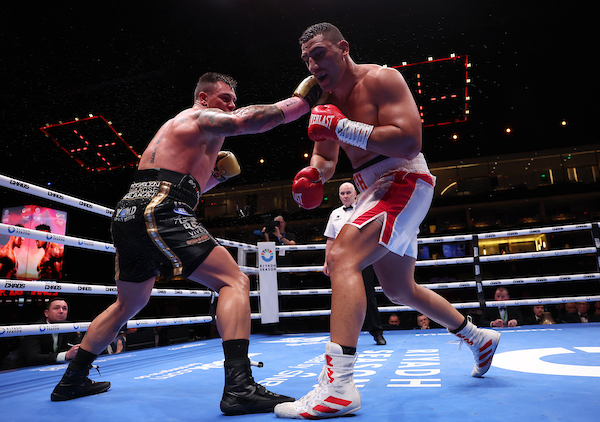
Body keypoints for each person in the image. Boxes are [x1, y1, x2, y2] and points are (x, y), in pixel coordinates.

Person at [50, 71, 327, 415]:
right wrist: (300, 103)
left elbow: (184, 183)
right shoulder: (197, 116)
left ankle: (72, 379)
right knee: (234, 281)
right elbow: (245, 122)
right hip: (161, 206)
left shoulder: (184, 132)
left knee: (128, 303)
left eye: (234, 101)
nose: (231, 106)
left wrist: (214, 177)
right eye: (225, 98)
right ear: (204, 98)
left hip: (131, 210)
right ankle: (240, 387)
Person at [275, 23, 501, 419]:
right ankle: (477, 337)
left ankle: (338, 388)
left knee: (343, 257)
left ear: (343, 48)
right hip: (372, 188)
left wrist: (342, 126)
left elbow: (409, 140)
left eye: (320, 53)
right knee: (398, 289)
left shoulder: (382, 79)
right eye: (306, 59)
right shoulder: (325, 100)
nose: (312, 65)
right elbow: (325, 155)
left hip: (403, 176)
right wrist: (314, 175)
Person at [324, 182, 385, 345]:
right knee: (341, 298)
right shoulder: (335, 214)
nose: (345, 196)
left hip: (362, 257)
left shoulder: (364, 210)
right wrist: (326, 261)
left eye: (348, 193)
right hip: (340, 262)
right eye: (342, 193)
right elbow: (330, 239)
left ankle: (377, 333)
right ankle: (343, 337)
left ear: (355, 194)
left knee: (369, 295)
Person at [1, 297, 81, 370]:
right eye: (56, 308)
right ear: (46, 313)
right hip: (23, 368)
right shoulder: (34, 329)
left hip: (54, 368)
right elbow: (33, 358)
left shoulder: (70, 328)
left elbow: (79, 349)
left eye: (64, 308)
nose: (61, 311)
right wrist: (65, 355)